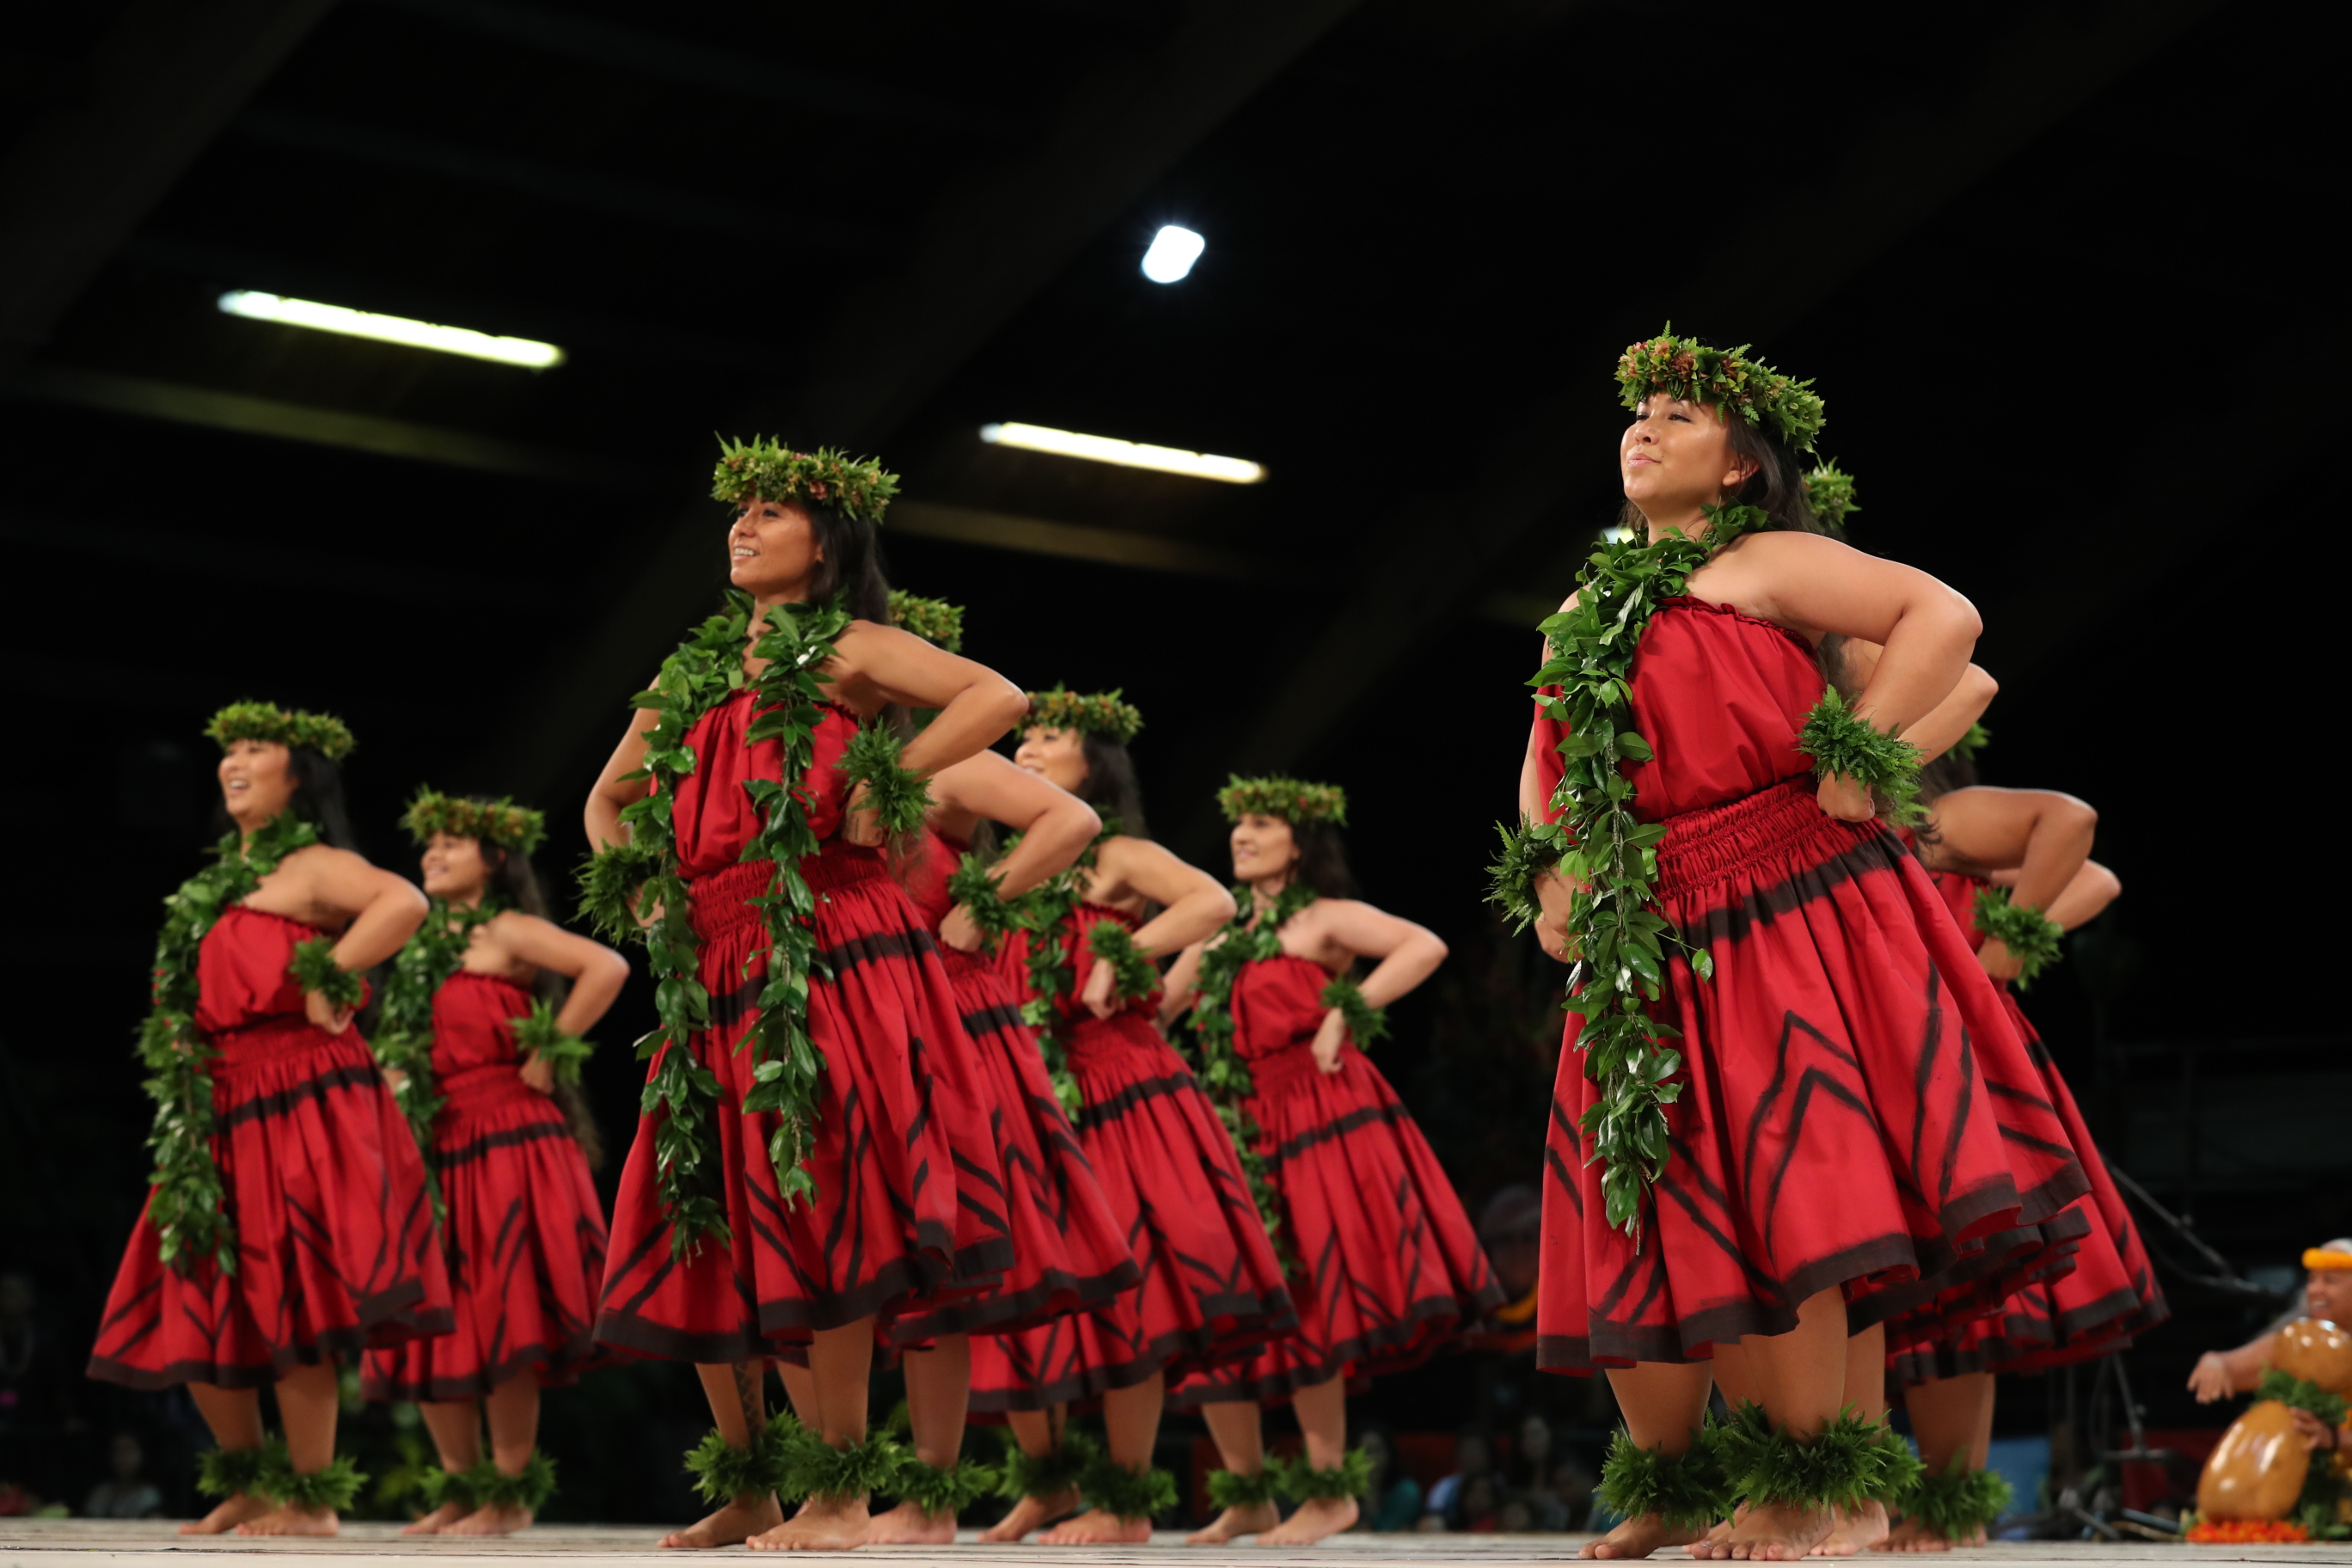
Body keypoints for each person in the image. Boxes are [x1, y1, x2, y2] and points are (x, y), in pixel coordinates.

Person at [1503, 331, 2092, 1560]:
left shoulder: (1767, 561)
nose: (1644, 427)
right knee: (1662, 1203)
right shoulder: (1586, 605)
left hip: (1777, 900)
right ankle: (1688, 1481)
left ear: (1738, 470)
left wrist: (1856, 747)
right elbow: (1543, 755)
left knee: (1792, 1186)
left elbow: (1946, 618)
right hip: (1640, 925)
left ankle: (1822, 1486)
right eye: (1638, 413)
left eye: (1679, 416)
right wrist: (1550, 864)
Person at [583, 439, 1030, 1550]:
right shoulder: (691, 674)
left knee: (820, 1194)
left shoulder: (852, 645)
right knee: (722, 1211)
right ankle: (753, 1487)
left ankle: (840, 1489)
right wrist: (643, 885)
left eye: (770, 512)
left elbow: (996, 696)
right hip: (715, 963)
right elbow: (608, 799)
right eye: (736, 513)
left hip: (829, 939)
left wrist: (891, 778)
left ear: (825, 542)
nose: (742, 526)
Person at [87, 702, 443, 1537]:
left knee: (295, 1286)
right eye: (230, 750)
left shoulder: (314, 863)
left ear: (300, 776)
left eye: (256, 748)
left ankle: (311, 1498)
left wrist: (330, 968)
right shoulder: (219, 879)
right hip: (215, 1102)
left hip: (299, 1091)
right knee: (196, 1284)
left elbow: (404, 902)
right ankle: (248, 1479)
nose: (234, 760)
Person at [965, 689, 1295, 1545]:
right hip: (1031, 1092)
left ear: (1096, 763)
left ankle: (1126, 1499)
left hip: (1119, 1089)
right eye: (1024, 738)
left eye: (1050, 737)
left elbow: (1212, 906)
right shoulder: (1016, 864)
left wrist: (1124, 951)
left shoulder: (1115, 853)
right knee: (1021, 1288)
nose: (1028, 748)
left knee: (1129, 1287)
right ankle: (1050, 1484)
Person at [854, 594, 1142, 1546]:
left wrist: (984, 898)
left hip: (952, 1024)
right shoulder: (827, 764)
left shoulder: (945, 766)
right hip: (864, 1026)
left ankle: (933, 1495)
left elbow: (1068, 823)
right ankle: (867, 1483)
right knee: (872, 1258)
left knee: (945, 1254)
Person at [1166, 775, 1499, 1546]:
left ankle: (1327, 1491)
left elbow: (1424, 944)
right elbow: (1156, 1010)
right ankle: (1247, 1493)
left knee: (1311, 1298)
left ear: (1300, 838)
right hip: (1233, 1127)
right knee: (1222, 1303)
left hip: (1313, 1118)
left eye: (1259, 822)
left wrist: (1348, 1011)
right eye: (1237, 823)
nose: (1241, 835)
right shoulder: (1216, 932)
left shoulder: (1325, 919)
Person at [1874, 753, 2162, 1551]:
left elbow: (2092, 872)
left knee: (1961, 1291)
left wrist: (2004, 948)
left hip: (1958, 1061)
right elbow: (2096, 880)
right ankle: (1915, 1501)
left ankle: (1948, 1505)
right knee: (1914, 1286)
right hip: (1910, 1058)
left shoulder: (1935, 823)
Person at [361, 791, 629, 1535]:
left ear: (495, 859)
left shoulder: (507, 930)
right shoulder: (416, 945)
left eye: (452, 844)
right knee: (434, 1315)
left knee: (503, 1310)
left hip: (508, 1135)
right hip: (433, 1144)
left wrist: (552, 1048)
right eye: (429, 845)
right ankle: (459, 1487)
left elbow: (603, 968)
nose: (433, 854)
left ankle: (509, 1492)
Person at [2190, 1243, 2352, 1405]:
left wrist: (2332, 1431)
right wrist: (2216, 1362)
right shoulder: (2301, 1341)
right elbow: (2231, 1365)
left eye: (2330, 1281)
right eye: (2312, 1279)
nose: (2314, 1290)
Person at [81, 1433, 165, 1520]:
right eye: (116, 1450)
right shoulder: (101, 1493)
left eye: (128, 1450)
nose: (121, 1456)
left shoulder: (149, 1495)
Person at [1355, 1426, 1422, 1533]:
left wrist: (1371, 1496)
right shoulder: (1346, 1491)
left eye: (1375, 1450)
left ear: (1389, 1453)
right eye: (1364, 1452)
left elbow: (1386, 1530)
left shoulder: (1406, 1492)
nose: (1371, 1459)